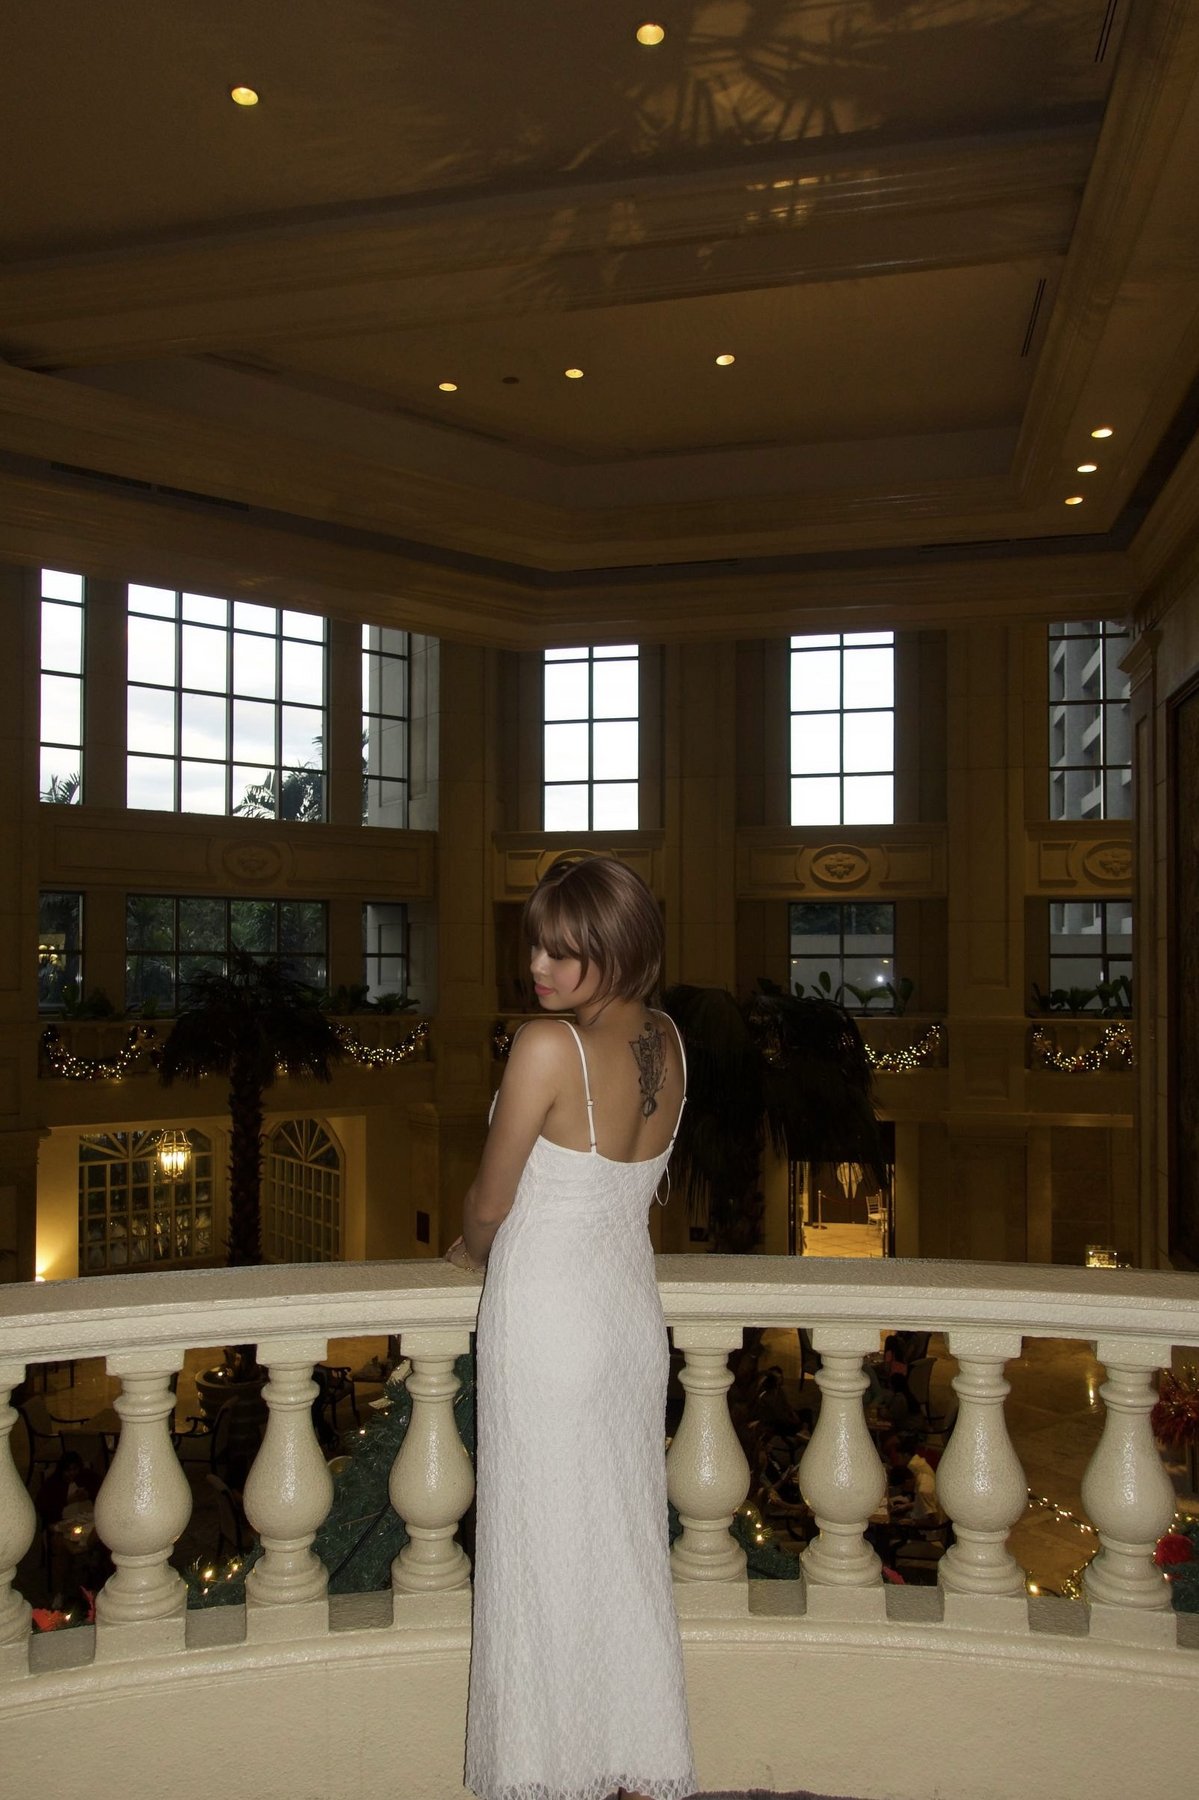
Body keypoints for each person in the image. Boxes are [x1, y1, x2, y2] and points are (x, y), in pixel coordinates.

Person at [449, 853, 696, 1800]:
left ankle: (542, 1771)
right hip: (627, 1316)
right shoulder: (670, 1041)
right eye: (535, 947)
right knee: (619, 1546)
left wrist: (468, 1250)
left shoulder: (544, 1046)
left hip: (548, 1320)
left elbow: (489, 1203)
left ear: (618, 947)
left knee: (541, 1549)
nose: (538, 967)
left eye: (562, 951)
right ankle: (629, 1757)